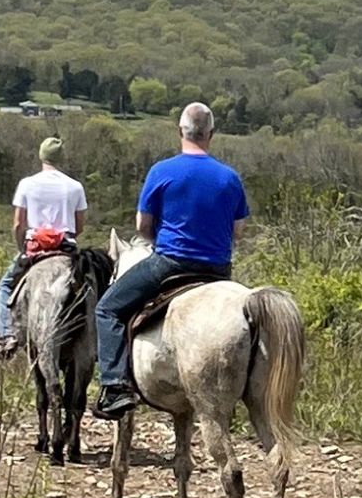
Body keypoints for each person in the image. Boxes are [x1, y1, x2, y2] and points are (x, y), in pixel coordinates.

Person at [92, 102, 249, 419]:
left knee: (106, 308)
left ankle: (114, 386)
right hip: (219, 270)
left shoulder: (162, 171)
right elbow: (239, 231)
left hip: (170, 264)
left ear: (181, 132)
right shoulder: (230, 178)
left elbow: (142, 227)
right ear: (211, 134)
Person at [0, 136, 88, 360]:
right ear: (61, 158)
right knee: (94, 287)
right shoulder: (75, 187)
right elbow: (79, 226)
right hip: (66, 248)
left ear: (41, 156)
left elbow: (18, 224)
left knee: (5, 287)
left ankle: (6, 336)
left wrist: (22, 248)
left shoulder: (27, 184)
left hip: (35, 248)